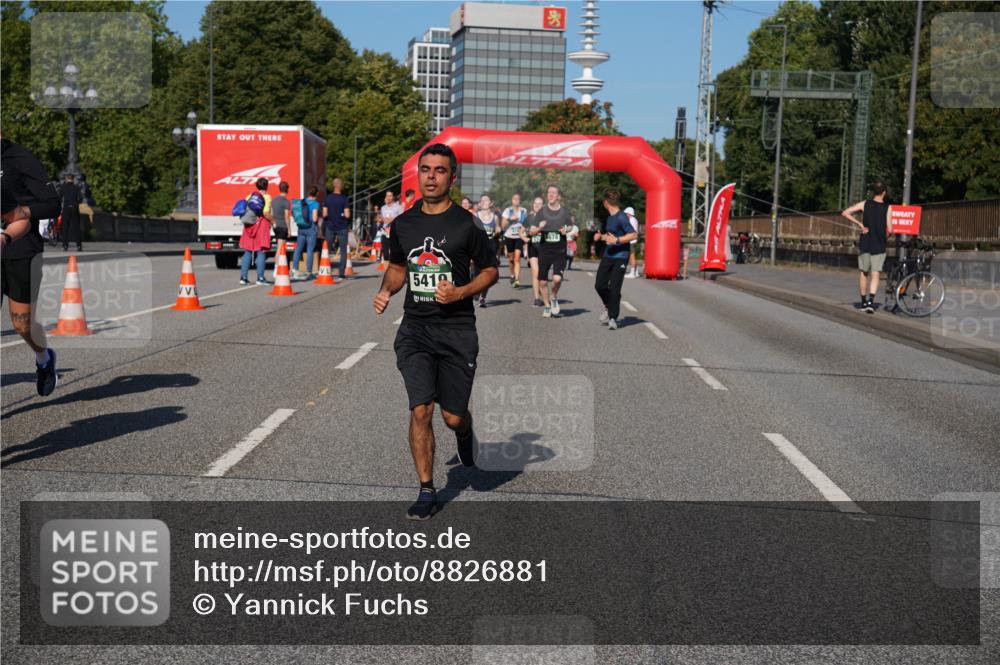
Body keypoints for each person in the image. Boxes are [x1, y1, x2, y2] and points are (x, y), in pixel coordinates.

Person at [373, 143, 498, 520]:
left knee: (452, 417)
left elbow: (491, 270)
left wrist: (461, 291)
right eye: (425, 169)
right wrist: (386, 290)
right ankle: (427, 489)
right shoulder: (403, 224)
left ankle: (464, 432)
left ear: (451, 178)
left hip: (457, 330)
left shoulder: (467, 223)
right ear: (419, 175)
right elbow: (398, 268)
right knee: (421, 409)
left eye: (439, 170)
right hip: (416, 329)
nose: (431, 176)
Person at [1, 136, 62, 396]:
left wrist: (18, 215)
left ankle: (44, 359)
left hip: (21, 248)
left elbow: (52, 205)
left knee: (22, 324)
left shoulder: (20, 157)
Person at [842, 180, 892, 313]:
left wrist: (860, 225)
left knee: (864, 272)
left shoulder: (865, 204)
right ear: (884, 192)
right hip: (879, 243)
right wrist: (885, 237)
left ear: (873, 192)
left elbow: (845, 213)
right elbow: (890, 229)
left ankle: (863, 301)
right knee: (876, 273)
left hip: (865, 242)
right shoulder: (888, 207)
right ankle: (871, 301)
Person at [594, 189, 638, 330]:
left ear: (606, 203)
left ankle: (612, 317)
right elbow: (610, 237)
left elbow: (633, 235)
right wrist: (601, 237)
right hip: (608, 255)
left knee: (614, 288)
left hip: (621, 256)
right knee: (599, 285)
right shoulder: (610, 218)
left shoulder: (621, 217)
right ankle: (609, 304)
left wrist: (617, 240)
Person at [535, 184, 573, 318]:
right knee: (542, 282)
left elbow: (571, 226)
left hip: (559, 250)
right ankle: (547, 306)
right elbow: (532, 230)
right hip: (544, 250)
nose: (550, 195)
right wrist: (539, 228)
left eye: (553, 193)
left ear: (558, 196)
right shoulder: (542, 212)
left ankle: (554, 296)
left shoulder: (565, 211)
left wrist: (566, 229)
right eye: (549, 192)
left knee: (557, 279)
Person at [239, 177, 273, 285]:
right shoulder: (267, 197)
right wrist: (274, 221)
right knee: (261, 251)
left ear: (257, 186)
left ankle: (243, 277)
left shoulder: (250, 196)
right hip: (261, 225)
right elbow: (266, 212)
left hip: (249, 226)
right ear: (267, 186)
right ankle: (260, 278)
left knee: (248, 251)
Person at [475, 194, 500, 307]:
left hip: (491, 246)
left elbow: (498, 228)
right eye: (483, 200)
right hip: (478, 247)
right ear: (480, 204)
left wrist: (498, 230)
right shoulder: (476, 216)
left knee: (488, 272)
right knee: (477, 273)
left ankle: (483, 297)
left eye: (487, 200)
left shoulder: (495, 217)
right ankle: (476, 290)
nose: (485, 201)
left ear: (490, 203)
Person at [323, 178, 351, 279]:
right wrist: (344, 214)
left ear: (334, 186)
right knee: (343, 250)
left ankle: (326, 271)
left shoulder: (327, 198)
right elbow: (347, 215)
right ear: (340, 186)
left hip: (330, 226)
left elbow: (324, 214)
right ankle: (341, 273)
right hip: (342, 226)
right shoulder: (344, 199)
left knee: (327, 250)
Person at [291, 185, 321, 279]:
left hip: (301, 227)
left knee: (298, 249)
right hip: (311, 228)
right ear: (316, 194)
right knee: (310, 250)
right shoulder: (315, 204)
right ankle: (309, 272)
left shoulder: (302, 202)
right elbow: (315, 219)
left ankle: (294, 270)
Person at [521, 196, 544, 306]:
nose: (537, 205)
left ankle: (542, 290)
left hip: (544, 248)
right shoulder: (529, 218)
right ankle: (537, 298)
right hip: (532, 247)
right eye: (535, 203)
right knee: (535, 272)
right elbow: (521, 231)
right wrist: (524, 238)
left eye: (539, 203)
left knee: (542, 274)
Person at [501, 193, 526, 287]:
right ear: (512, 200)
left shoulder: (524, 211)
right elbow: (503, 225)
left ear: (520, 200)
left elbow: (527, 223)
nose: (516, 200)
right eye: (514, 198)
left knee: (517, 258)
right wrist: (510, 219)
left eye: (518, 199)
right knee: (511, 259)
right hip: (509, 237)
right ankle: (512, 274)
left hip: (519, 237)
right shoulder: (507, 211)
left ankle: (517, 279)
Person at [271, 181, 292, 272]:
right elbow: (286, 217)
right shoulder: (286, 202)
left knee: (280, 248)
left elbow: (272, 214)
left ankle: (279, 267)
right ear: (287, 190)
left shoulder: (274, 200)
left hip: (276, 226)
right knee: (280, 249)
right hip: (283, 226)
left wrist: (273, 224)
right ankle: (276, 269)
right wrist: (289, 229)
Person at [59, 174, 83, 252]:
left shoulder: (63, 187)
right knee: (76, 227)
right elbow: (80, 198)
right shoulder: (76, 187)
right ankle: (78, 245)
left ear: (66, 179)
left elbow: (59, 197)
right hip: (74, 208)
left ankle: (65, 245)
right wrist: (76, 203)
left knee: (65, 227)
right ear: (73, 179)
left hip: (66, 208)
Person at [624, 206, 641, 278]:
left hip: (631, 240)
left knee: (632, 256)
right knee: (633, 256)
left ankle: (632, 273)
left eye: (626, 213)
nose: (625, 215)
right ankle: (636, 272)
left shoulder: (631, 220)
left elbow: (628, 230)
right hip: (634, 240)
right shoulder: (635, 219)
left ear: (629, 213)